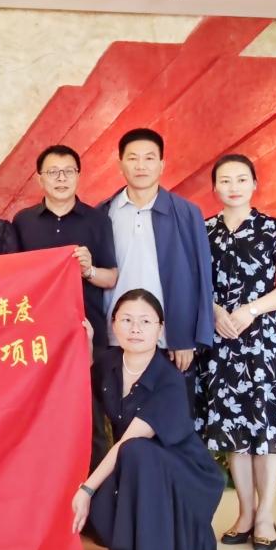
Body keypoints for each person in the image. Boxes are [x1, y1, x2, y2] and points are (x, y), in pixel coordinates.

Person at [71, 289, 276, 550]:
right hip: (137, 467)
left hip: (183, 471)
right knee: (125, 475)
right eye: (126, 320)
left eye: (145, 321)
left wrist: (86, 489)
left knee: (136, 452)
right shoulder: (109, 363)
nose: (135, 328)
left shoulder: (168, 378)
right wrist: (87, 345)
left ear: (160, 329)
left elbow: (129, 440)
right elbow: (86, 381)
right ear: (113, 325)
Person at [199, 154, 276, 550]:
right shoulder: (204, 230)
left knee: (265, 428)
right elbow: (196, 282)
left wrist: (250, 310)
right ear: (215, 187)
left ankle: (266, 515)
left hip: (264, 339)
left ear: (254, 184)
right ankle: (245, 513)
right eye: (225, 180)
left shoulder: (272, 228)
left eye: (241, 179)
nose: (233, 187)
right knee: (235, 430)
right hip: (221, 338)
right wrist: (215, 312)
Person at [13, 144, 117, 470]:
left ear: (78, 176)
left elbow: (111, 277)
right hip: (37, 338)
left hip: (87, 334)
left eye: (68, 171)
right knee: (41, 416)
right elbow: (14, 279)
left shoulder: (98, 220)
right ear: (39, 178)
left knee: (91, 418)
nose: (61, 178)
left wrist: (89, 270)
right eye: (53, 172)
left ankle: (96, 496)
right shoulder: (23, 222)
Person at [101, 129, 214, 387]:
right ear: (120, 164)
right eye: (133, 158)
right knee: (118, 409)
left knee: (173, 409)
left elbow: (201, 279)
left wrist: (184, 338)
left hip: (169, 339)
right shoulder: (104, 212)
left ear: (162, 165)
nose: (141, 166)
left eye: (149, 158)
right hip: (115, 336)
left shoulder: (186, 213)